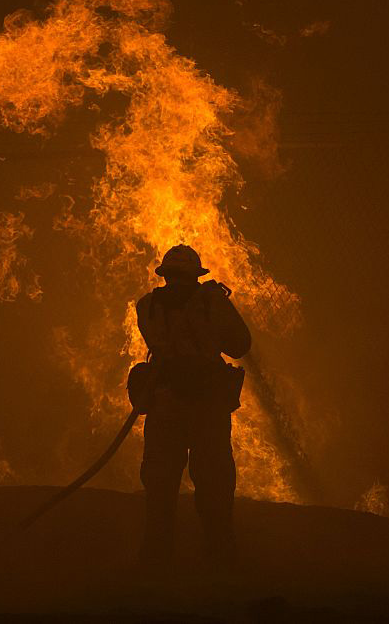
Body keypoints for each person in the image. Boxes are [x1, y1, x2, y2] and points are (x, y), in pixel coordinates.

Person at [135, 244, 251, 569]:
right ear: (196, 276)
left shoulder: (147, 305)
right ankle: (219, 556)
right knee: (213, 480)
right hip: (205, 406)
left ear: (166, 275)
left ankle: (156, 558)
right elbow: (240, 344)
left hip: (165, 403)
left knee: (160, 482)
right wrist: (217, 305)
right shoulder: (209, 301)